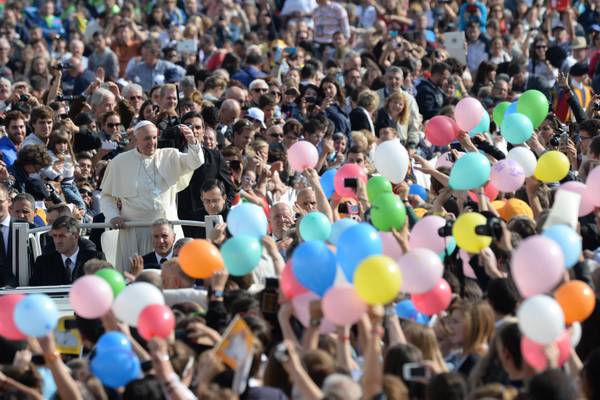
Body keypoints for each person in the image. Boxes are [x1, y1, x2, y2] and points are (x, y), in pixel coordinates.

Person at [100, 120, 204, 271]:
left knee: (176, 272)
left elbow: (195, 161)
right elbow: (107, 196)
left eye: (154, 138)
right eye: (147, 138)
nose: (152, 142)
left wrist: (193, 142)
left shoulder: (169, 155)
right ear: (136, 140)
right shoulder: (119, 162)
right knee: (135, 274)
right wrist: (113, 216)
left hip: (168, 230)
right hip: (135, 231)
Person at [30, 216, 105, 286]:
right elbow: (34, 292)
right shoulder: (42, 263)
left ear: (76, 236)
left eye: (62, 236)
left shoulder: (96, 259)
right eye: (54, 236)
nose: (57, 241)